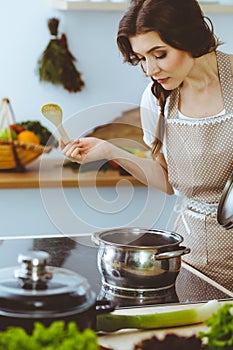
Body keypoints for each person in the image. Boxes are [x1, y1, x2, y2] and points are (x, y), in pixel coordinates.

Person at [60, 0, 233, 292]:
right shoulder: (156, 99)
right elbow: (167, 181)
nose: (150, 69)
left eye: (160, 54)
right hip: (192, 257)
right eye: (141, 58)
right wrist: (111, 152)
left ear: (189, 37)